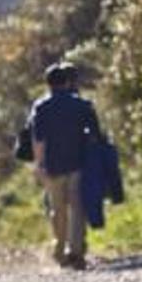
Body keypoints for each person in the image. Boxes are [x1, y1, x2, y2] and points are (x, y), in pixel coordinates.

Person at [27, 61, 104, 270]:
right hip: (78, 163)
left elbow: (38, 138)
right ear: (67, 82)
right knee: (77, 208)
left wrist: (39, 163)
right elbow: (95, 135)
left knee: (57, 208)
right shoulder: (81, 105)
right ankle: (76, 250)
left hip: (52, 166)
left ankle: (59, 249)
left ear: (48, 84)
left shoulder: (41, 107)